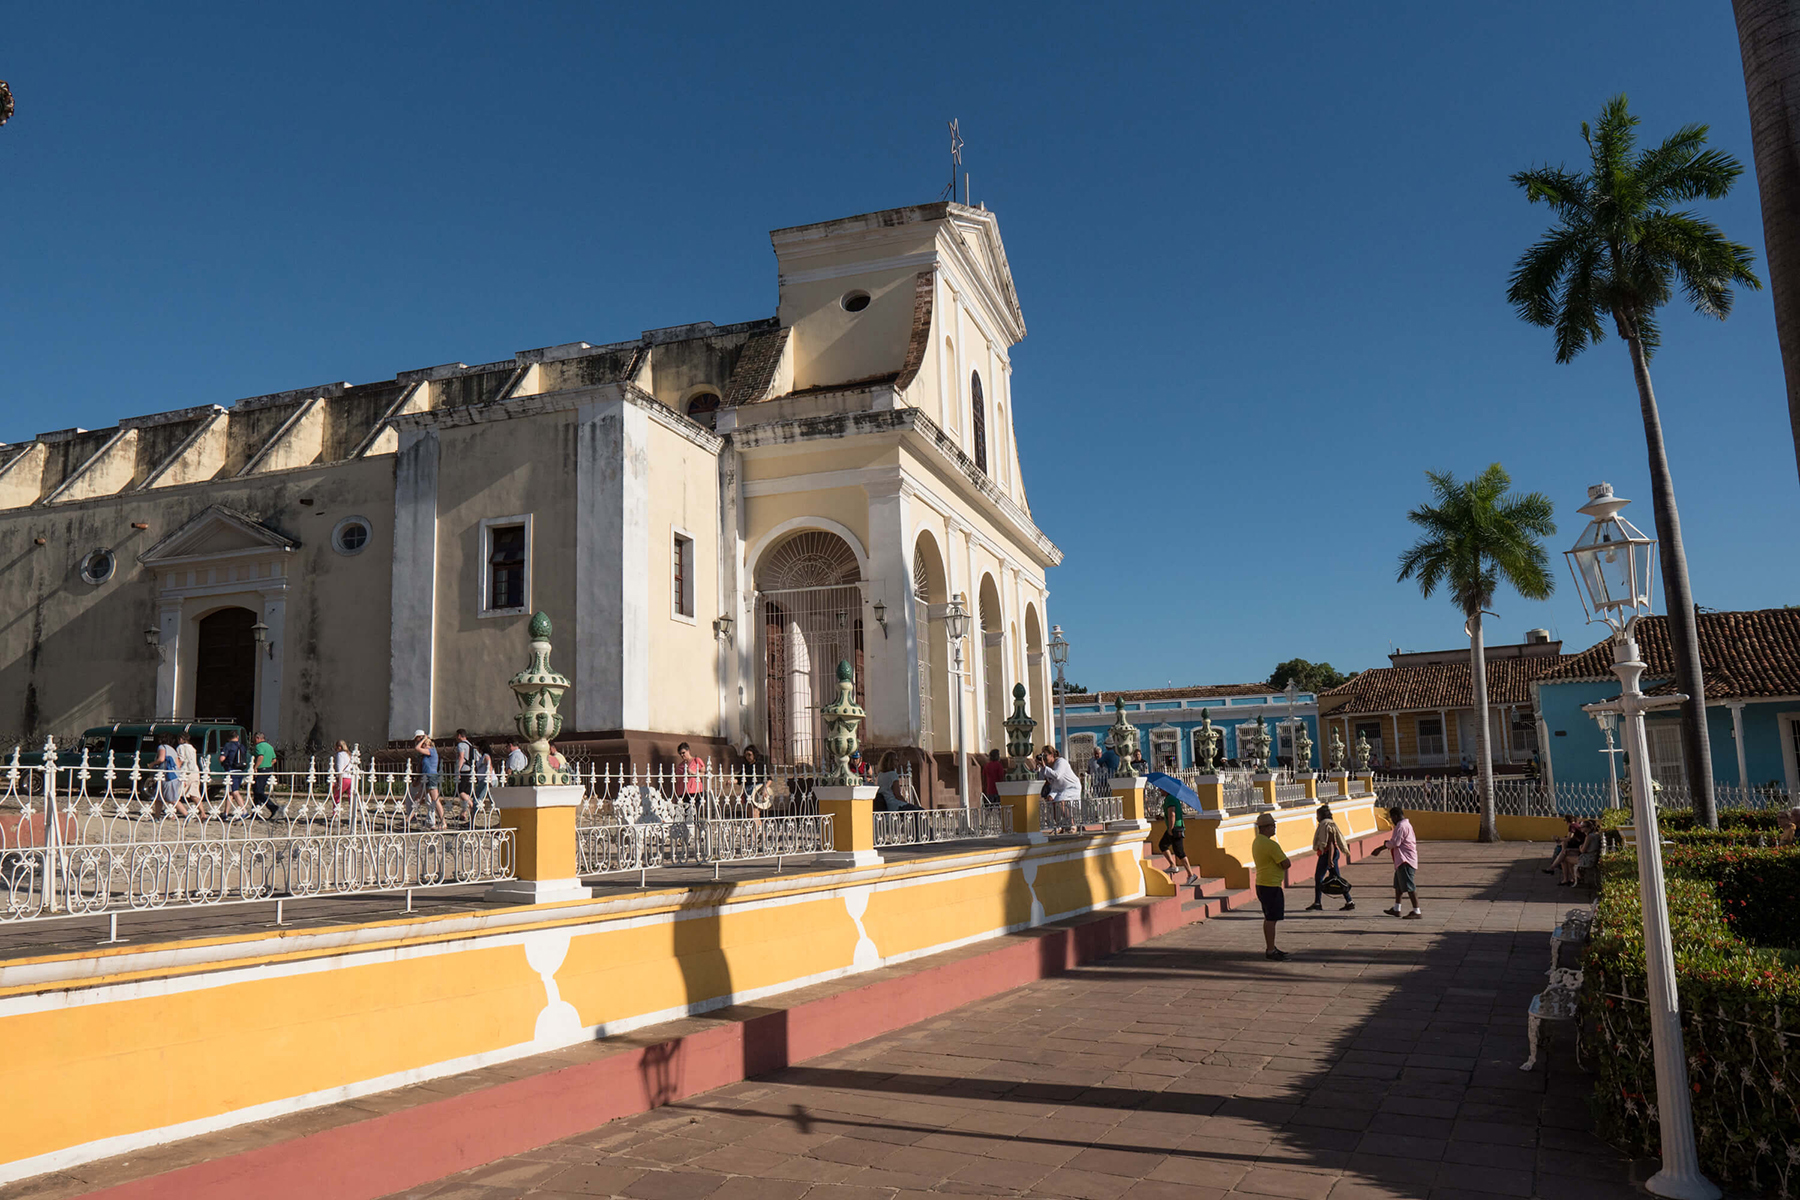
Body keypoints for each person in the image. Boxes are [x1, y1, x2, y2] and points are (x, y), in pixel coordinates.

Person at [1251, 812, 1291, 960]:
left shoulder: (1257, 842)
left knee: (1269, 917)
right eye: (1273, 826)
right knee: (1271, 919)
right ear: (1266, 828)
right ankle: (1270, 950)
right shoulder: (1271, 845)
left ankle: (1271, 946)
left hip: (1262, 883)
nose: (1275, 828)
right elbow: (1286, 863)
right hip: (1271, 884)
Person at [1374, 806, 1422, 918]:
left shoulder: (1401, 826)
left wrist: (1382, 847)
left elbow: (1395, 843)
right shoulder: (1406, 825)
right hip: (1401, 860)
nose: (1392, 821)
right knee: (1398, 886)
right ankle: (1397, 908)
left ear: (1395, 816)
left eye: (1392, 818)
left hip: (1405, 860)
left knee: (1409, 886)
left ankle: (1416, 911)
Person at [1304, 804, 1355, 912]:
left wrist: (1330, 859)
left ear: (1322, 815)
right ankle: (1349, 901)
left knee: (1319, 878)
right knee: (1337, 878)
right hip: (1329, 854)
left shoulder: (1327, 826)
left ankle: (1317, 903)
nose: (1317, 818)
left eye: (1317, 815)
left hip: (1328, 854)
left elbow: (1331, 843)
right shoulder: (1327, 824)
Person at [1157, 787, 1198, 886]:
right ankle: (1172, 865)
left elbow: (1172, 814)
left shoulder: (1170, 799)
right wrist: (1162, 818)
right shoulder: (1171, 798)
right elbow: (1170, 814)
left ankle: (1190, 874)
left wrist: (1170, 829)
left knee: (1179, 852)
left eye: (1161, 789)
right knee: (1163, 845)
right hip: (1175, 827)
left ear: (1166, 790)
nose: (1160, 791)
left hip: (1175, 828)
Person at [1038, 744, 1081, 830]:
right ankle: (1059, 825)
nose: (1044, 758)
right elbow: (1041, 779)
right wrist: (1041, 767)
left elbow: (1057, 775)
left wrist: (1045, 767)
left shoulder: (1061, 762)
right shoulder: (1047, 767)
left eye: (1045, 755)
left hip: (1071, 786)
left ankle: (1072, 823)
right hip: (1057, 788)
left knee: (1060, 801)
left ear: (1052, 755)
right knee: (1050, 801)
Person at [412, 731, 445, 829]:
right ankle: (409, 818)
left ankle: (443, 822)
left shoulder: (431, 750)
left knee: (435, 799)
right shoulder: (427, 753)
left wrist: (423, 740)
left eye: (425, 744)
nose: (423, 746)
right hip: (426, 777)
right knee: (418, 798)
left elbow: (417, 748)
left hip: (431, 776)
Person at [152, 735, 184, 820]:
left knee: (172, 799)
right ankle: (157, 816)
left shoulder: (162, 747)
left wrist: (152, 764)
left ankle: (186, 814)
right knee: (159, 797)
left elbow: (161, 759)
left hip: (168, 776)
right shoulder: (172, 749)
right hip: (175, 776)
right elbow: (178, 765)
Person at [219, 730, 250, 817]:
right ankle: (226, 812)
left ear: (228, 738)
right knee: (230, 792)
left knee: (235, 791)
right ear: (237, 737)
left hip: (231, 770)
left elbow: (222, 758)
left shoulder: (228, 745)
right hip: (240, 770)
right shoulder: (242, 746)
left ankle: (244, 811)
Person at [250, 731, 278, 819]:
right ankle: (255, 811)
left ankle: (272, 807)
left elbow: (260, 756)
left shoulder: (259, 746)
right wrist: (268, 765)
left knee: (258, 791)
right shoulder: (269, 747)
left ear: (258, 738)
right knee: (257, 790)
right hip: (268, 769)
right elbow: (274, 760)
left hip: (261, 769)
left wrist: (256, 767)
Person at [175, 732, 203, 814]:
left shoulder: (180, 747)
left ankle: (175, 811)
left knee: (176, 793)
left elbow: (181, 759)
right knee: (194, 793)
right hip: (194, 771)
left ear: (181, 739)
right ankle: (202, 812)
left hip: (185, 772)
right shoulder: (192, 748)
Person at [1558, 819, 1590, 886]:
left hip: (1587, 858)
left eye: (1582, 827)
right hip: (1587, 856)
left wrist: (1580, 847)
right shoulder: (1590, 836)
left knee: (1565, 858)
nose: (1580, 828)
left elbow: (1582, 850)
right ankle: (1574, 878)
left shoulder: (1588, 837)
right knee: (1566, 854)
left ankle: (1576, 878)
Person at [454, 728, 476, 819]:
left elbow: (461, 757)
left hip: (464, 769)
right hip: (470, 769)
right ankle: (464, 813)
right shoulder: (470, 745)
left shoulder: (461, 745)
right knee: (467, 791)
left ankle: (471, 805)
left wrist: (458, 770)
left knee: (461, 791)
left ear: (459, 735)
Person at [328, 739, 353, 818]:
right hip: (351, 778)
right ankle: (352, 814)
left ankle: (335, 813)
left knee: (337, 796)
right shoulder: (349, 754)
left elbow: (340, 768)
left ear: (339, 747)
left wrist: (338, 780)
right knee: (351, 796)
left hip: (344, 778)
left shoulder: (340, 755)